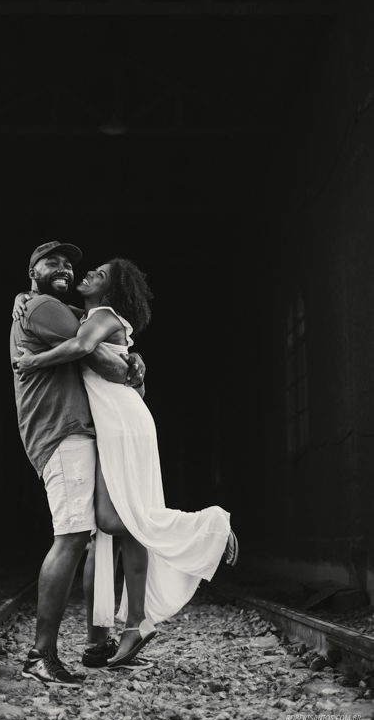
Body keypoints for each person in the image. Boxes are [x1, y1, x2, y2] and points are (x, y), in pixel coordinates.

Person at [13, 256, 238, 668]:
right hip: (114, 419)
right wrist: (22, 298)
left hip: (118, 421)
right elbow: (83, 333)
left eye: (98, 274)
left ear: (111, 291)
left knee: (117, 519)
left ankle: (210, 527)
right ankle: (133, 623)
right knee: (117, 523)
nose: (85, 273)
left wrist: (32, 362)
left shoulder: (100, 316)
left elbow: (83, 348)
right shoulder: (79, 314)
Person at [10, 241, 146, 688]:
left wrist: (129, 352)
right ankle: (40, 656)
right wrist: (129, 360)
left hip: (75, 429)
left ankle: (94, 644)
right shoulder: (45, 307)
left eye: (69, 263)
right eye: (52, 262)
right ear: (33, 272)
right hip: (63, 430)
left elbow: (104, 340)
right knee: (70, 536)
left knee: (92, 537)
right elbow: (104, 359)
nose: (65, 268)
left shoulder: (58, 309)